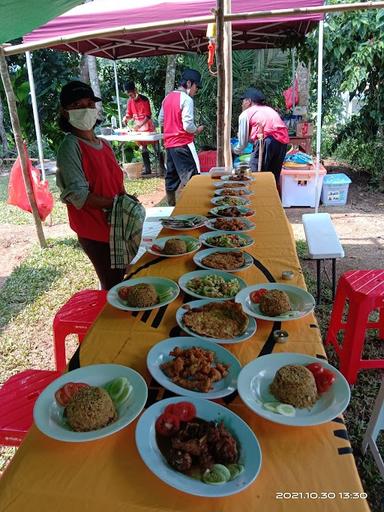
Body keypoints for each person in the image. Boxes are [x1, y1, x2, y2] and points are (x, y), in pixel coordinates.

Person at [56, 80, 127, 290]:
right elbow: (79, 195)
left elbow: (114, 183)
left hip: (116, 226)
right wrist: (116, 203)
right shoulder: (70, 147)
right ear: (65, 112)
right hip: (95, 231)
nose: (85, 110)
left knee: (123, 277)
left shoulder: (103, 144)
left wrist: (125, 199)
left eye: (89, 104)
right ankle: (112, 323)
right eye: (77, 107)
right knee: (112, 285)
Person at [158, 68, 204, 206]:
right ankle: (195, 206)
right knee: (192, 178)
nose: (196, 90)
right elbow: (187, 125)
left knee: (171, 177)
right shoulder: (186, 99)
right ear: (189, 83)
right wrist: (196, 130)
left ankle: (171, 206)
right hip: (182, 143)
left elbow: (161, 120)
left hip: (170, 145)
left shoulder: (167, 98)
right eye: (196, 87)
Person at [233, 87, 289, 184]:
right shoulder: (269, 109)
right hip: (282, 143)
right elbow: (266, 131)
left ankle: (256, 197)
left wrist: (233, 150)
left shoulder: (245, 114)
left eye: (243, 101)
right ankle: (271, 197)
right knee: (272, 177)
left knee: (256, 176)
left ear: (249, 101)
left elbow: (243, 144)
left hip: (266, 142)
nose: (241, 104)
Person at [122, 81, 161, 176]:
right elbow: (129, 114)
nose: (130, 97)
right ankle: (148, 169)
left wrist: (140, 125)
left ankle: (162, 168)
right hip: (138, 129)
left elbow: (148, 116)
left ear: (135, 90)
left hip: (148, 127)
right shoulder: (129, 101)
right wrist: (126, 118)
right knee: (143, 148)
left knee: (156, 148)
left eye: (131, 94)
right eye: (129, 95)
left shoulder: (144, 99)